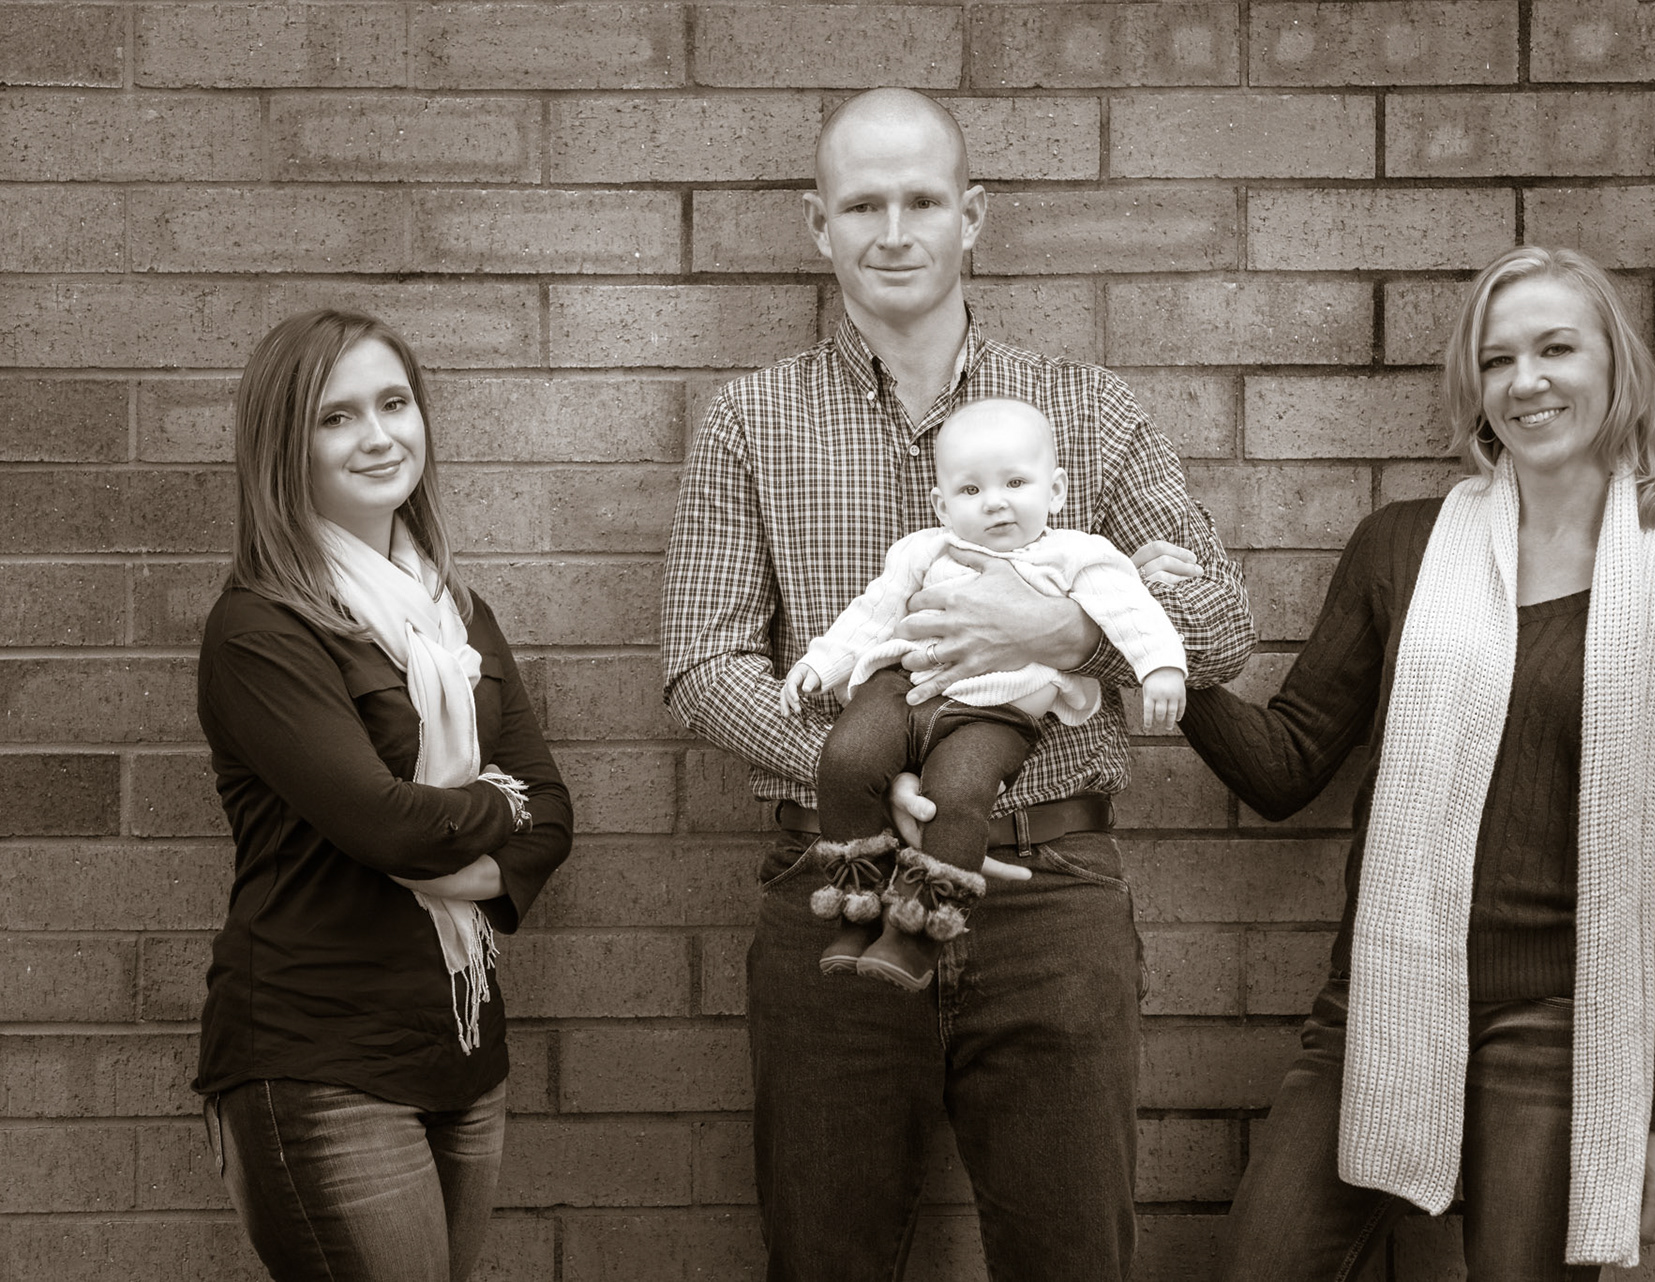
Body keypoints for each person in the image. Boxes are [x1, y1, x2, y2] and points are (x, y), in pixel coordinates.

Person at [663, 88, 1252, 1279]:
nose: (895, 231)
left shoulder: (1090, 411)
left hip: (1050, 898)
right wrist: (864, 772)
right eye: (863, 205)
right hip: (835, 887)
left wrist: (1067, 628)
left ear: (971, 215)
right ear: (817, 224)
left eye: (923, 201)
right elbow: (700, 662)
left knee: (1073, 1259)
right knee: (826, 1260)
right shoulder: (750, 420)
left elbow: (1225, 625)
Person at [1178, 245, 1655, 1279]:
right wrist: (1146, 654)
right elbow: (1287, 765)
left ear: (1615, 366)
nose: (1526, 382)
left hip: (1560, 1028)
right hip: (1380, 996)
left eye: (1555, 349)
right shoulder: (1401, 549)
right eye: (1497, 359)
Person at [194, 310, 573, 1281]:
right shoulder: (261, 629)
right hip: (318, 1057)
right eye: (337, 416)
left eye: (394, 404)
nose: (378, 436)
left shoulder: (456, 614)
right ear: (284, 445)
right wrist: (499, 806)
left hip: (463, 1048)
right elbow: (390, 826)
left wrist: (483, 836)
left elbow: (555, 810)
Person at [781, 397, 1189, 991]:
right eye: (970, 490)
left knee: (957, 794)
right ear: (942, 505)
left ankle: (921, 931)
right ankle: (858, 904)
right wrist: (820, 665)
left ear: (1055, 490)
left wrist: (1161, 667)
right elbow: (872, 614)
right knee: (845, 758)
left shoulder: (1077, 555)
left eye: (1015, 483)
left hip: (994, 713)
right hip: (903, 688)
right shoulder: (924, 549)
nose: (995, 501)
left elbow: (1133, 612)